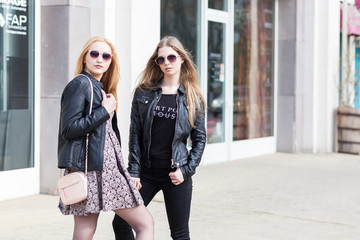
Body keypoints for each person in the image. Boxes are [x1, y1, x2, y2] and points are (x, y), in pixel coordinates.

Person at [57, 36, 154, 240]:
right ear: (84, 58)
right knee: (145, 224)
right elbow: (68, 129)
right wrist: (104, 110)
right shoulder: (80, 84)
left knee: (86, 231)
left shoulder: (98, 88)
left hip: (106, 169)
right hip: (93, 170)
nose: (99, 59)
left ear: (111, 62)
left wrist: (124, 171)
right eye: (94, 53)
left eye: (106, 56)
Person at [112, 36, 206, 240]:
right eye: (161, 59)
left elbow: (200, 139)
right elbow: (135, 134)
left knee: (180, 233)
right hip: (146, 172)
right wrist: (134, 171)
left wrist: (186, 170)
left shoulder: (193, 97)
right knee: (120, 222)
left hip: (176, 174)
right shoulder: (144, 92)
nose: (166, 63)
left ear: (181, 59)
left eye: (171, 58)